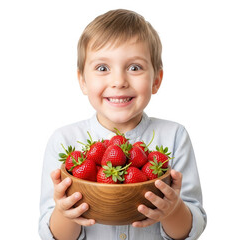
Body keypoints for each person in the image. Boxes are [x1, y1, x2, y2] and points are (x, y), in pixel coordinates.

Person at [39, 9, 206, 240]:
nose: (118, 81)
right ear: (83, 81)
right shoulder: (63, 141)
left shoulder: (175, 136)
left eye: (134, 67)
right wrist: (65, 212)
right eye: (102, 68)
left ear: (156, 80)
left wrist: (173, 209)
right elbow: (52, 234)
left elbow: (191, 228)